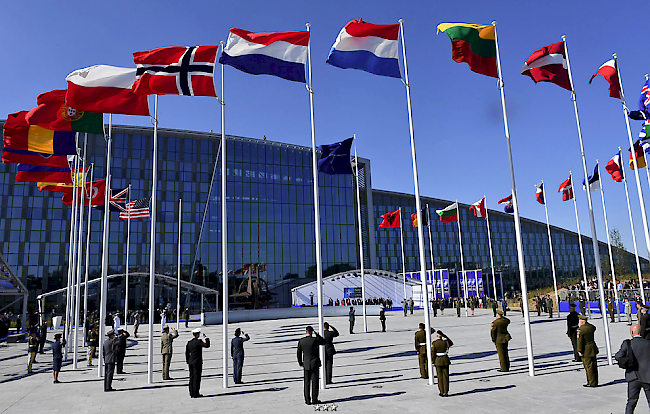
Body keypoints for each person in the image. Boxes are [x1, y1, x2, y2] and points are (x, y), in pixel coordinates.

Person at [615, 324, 650, 414]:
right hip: (647, 377)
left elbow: (618, 356)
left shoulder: (628, 344)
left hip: (633, 376)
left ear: (632, 332)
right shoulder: (648, 343)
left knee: (631, 402)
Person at [297, 326, 325, 405]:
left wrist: (300, 363)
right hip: (314, 363)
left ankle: (307, 400)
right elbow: (323, 342)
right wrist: (317, 334)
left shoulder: (302, 341)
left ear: (306, 332)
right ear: (312, 332)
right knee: (315, 382)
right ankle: (314, 399)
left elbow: (298, 353)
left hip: (306, 364)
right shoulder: (315, 340)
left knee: (306, 383)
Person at [186, 327, 210, 398]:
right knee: (197, 378)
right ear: (198, 335)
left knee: (191, 378)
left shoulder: (189, 343)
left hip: (190, 362)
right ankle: (196, 393)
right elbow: (207, 345)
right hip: (197, 362)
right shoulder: (198, 342)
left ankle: (191, 393)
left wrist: (187, 361)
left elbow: (186, 353)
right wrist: (206, 338)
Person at [577, 314, 599, 387]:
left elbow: (580, 341)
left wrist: (579, 350)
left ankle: (591, 382)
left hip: (586, 350)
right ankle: (595, 381)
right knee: (594, 366)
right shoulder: (591, 327)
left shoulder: (581, 330)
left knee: (588, 367)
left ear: (582, 321)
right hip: (593, 347)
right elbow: (594, 327)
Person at [432, 330, 452, 397]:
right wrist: (445, 336)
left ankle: (441, 391)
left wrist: (433, 361)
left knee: (439, 377)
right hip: (445, 359)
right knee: (446, 377)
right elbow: (451, 343)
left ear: (437, 335)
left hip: (438, 360)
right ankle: (446, 392)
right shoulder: (445, 342)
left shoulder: (434, 343)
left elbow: (433, 353)